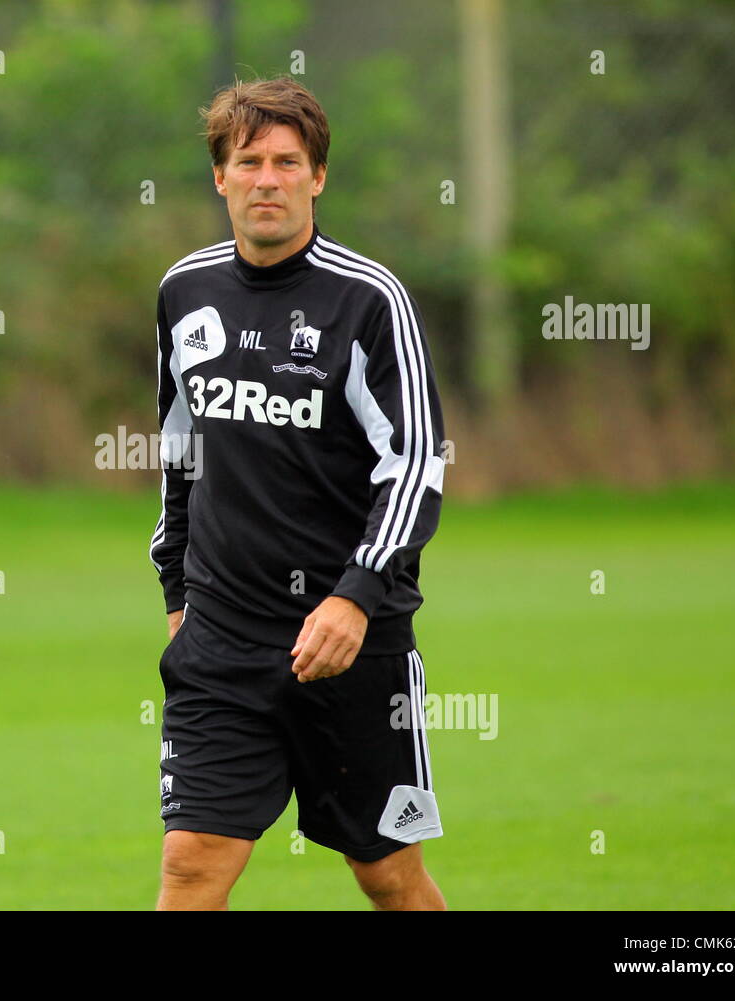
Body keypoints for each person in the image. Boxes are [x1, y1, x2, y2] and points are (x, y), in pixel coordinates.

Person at [149, 75, 448, 910]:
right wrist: (178, 589)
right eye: (249, 161)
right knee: (192, 860)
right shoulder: (184, 293)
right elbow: (180, 456)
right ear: (220, 177)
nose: (267, 179)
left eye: (287, 162)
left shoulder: (369, 300)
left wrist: (354, 598)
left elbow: (414, 466)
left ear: (318, 177)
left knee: (387, 872)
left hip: (351, 644)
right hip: (222, 641)